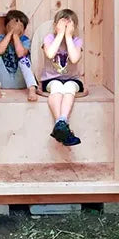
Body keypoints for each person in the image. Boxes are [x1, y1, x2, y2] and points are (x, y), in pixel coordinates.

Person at [41, 9, 84, 147]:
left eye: (69, 24)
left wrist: (68, 37)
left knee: (69, 87)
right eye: (62, 23)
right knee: (58, 87)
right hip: (51, 79)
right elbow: (50, 53)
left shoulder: (76, 41)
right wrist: (60, 34)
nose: (65, 26)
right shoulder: (49, 39)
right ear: (55, 25)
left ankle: (61, 122)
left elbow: (74, 58)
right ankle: (63, 126)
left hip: (72, 79)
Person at [0, 10, 37, 102]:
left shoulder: (25, 40)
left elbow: (21, 54)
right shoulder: (0, 38)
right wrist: (10, 33)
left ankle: (32, 88)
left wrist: (15, 35)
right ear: (6, 26)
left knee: (24, 59)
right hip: (3, 80)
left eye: (20, 26)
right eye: (12, 26)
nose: (16, 28)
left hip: (20, 81)